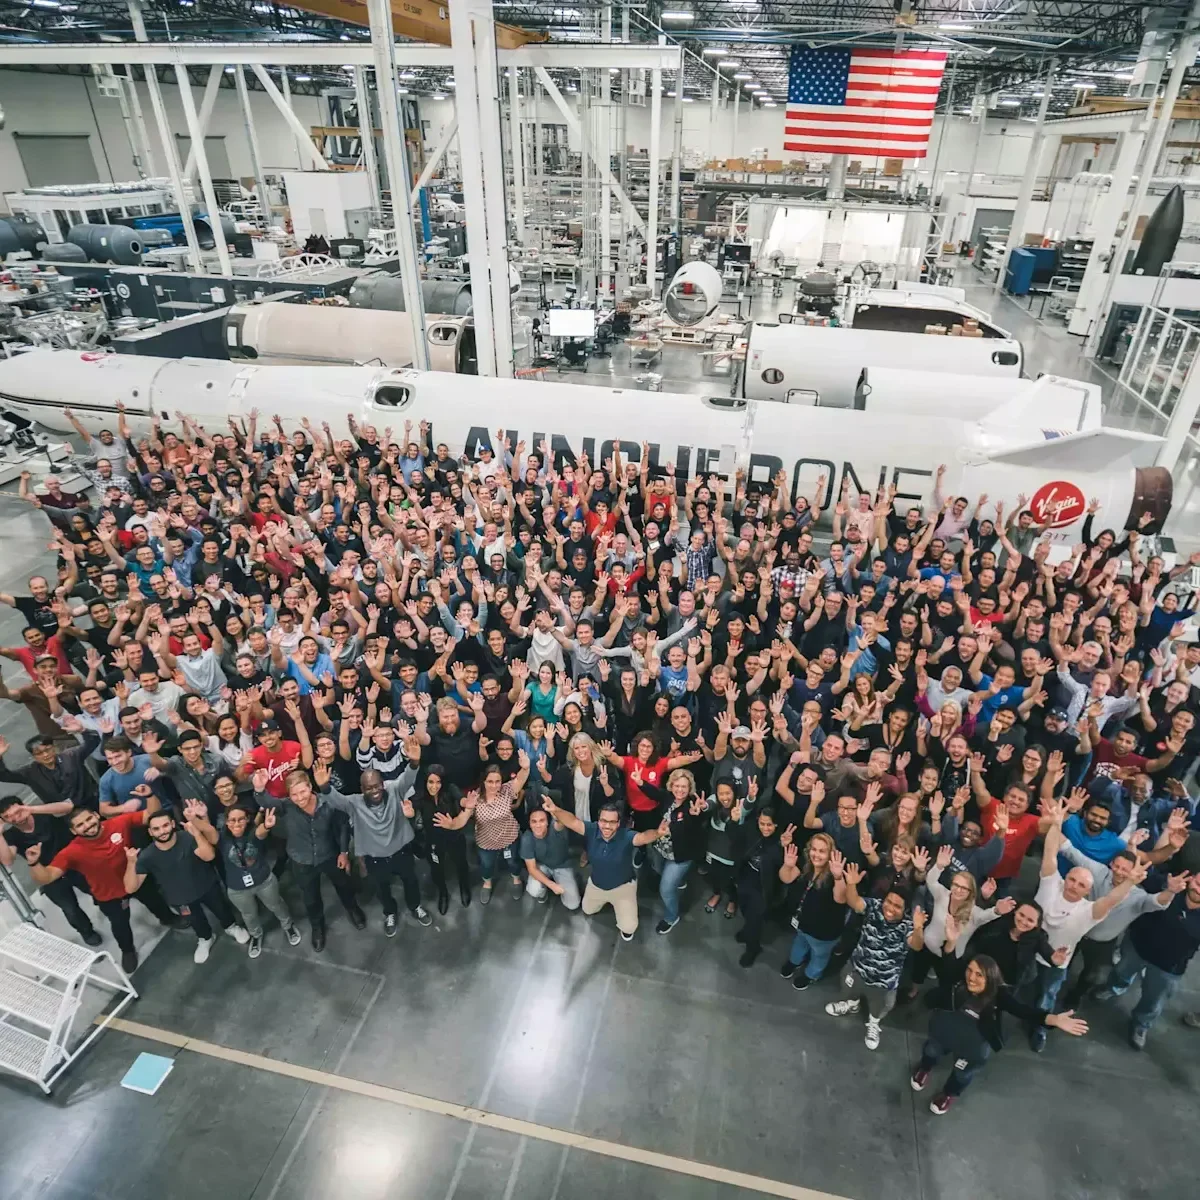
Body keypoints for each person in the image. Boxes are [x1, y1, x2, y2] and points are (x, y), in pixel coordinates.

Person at [1026, 796, 1147, 1051]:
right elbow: (1050, 852)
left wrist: (1129, 882)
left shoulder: (1090, 910)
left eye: (1082, 885)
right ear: (1065, 877)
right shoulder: (1050, 883)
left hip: (1057, 963)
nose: (1074, 886)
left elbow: (1113, 898)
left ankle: (1039, 1028)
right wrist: (1057, 823)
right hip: (1026, 949)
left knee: (1047, 996)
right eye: (1072, 879)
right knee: (1015, 983)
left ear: (1088, 891)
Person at [910, 955, 1089, 1114]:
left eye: (979, 974)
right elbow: (948, 961)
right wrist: (951, 940)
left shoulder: (999, 995)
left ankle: (948, 1094)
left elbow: (1025, 1011)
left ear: (990, 978)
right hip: (944, 1032)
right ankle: (924, 1068)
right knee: (931, 1051)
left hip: (973, 1047)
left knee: (962, 1074)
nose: (971, 977)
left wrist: (1054, 1020)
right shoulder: (958, 983)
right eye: (970, 970)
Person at [28, 801, 181, 973]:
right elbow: (47, 877)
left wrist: (149, 795)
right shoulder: (71, 852)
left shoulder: (119, 823)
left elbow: (151, 816)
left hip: (135, 877)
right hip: (109, 894)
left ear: (95, 815)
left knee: (155, 900)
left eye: (88, 819)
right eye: (80, 825)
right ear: (74, 831)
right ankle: (128, 950)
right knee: (120, 925)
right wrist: (34, 862)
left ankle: (168, 918)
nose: (87, 826)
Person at [313, 758, 433, 936]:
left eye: (377, 786)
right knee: (382, 889)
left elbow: (407, 778)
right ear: (362, 790)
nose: (374, 790)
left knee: (411, 882)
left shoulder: (394, 790)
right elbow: (336, 800)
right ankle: (390, 913)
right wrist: (324, 787)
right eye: (369, 788)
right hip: (376, 859)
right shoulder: (354, 803)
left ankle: (415, 906)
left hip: (402, 852)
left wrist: (415, 762)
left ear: (383, 784)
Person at [123, 800, 250, 964]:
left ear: (173, 824)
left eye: (165, 825)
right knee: (196, 921)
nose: (162, 831)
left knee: (222, 909)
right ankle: (205, 938)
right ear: (150, 832)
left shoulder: (187, 838)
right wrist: (131, 862)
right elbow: (131, 887)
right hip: (180, 899)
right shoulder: (147, 856)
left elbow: (209, 856)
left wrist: (197, 834)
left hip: (207, 887)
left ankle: (231, 926)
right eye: (156, 828)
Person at [824, 860, 927, 1050]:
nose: (890, 907)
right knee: (848, 990)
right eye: (889, 901)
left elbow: (917, 946)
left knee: (880, 1007)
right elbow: (855, 903)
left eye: (897, 906)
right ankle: (852, 1004)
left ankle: (873, 1023)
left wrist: (919, 927)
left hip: (884, 982)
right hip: (856, 969)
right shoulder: (875, 906)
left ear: (905, 910)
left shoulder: (908, 925)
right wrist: (852, 884)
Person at [1095, 868, 1200, 1049]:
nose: (1199, 890)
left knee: (1154, 999)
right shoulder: (1172, 883)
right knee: (1121, 971)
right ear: (1191, 879)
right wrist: (1166, 886)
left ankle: (1141, 1024)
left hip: (1169, 966)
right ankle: (1113, 988)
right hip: (1138, 947)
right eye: (1198, 883)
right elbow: (1145, 880)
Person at [261, 768, 365, 951]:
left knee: (343, 885)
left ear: (310, 787)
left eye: (303, 791)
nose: (300, 798)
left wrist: (343, 852)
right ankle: (317, 926)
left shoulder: (329, 803)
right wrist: (259, 790)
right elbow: (265, 801)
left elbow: (342, 828)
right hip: (301, 861)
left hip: (330, 855)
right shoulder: (285, 807)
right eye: (294, 794)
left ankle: (352, 908)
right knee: (310, 898)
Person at [540, 795, 668, 940]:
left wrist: (658, 833)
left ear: (619, 823)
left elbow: (643, 837)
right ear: (598, 820)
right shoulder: (591, 829)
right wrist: (555, 810)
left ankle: (622, 909)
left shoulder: (626, 836)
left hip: (623, 886)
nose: (607, 826)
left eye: (612, 822)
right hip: (597, 884)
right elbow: (572, 821)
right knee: (587, 910)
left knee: (629, 927)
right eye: (604, 821)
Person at [0, 794, 101, 945]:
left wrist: (31, 809)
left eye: (17, 812)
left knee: (98, 889)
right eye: (8, 817)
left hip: (73, 862)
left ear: (23, 806)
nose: (15, 818)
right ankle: (87, 932)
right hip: (48, 873)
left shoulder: (43, 813)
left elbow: (68, 807)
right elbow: (8, 860)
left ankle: (101, 901)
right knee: (70, 910)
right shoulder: (11, 835)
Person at [215, 795, 301, 957]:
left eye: (241, 819)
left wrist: (267, 826)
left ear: (247, 820)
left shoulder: (253, 833)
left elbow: (261, 833)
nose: (236, 823)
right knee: (248, 914)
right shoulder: (222, 839)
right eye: (232, 820)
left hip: (264, 881)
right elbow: (207, 831)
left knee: (276, 904)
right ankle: (256, 935)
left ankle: (288, 925)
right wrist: (197, 818)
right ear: (226, 822)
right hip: (237, 888)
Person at [778, 834, 849, 990]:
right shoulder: (806, 866)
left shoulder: (835, 874)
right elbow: (786, 878)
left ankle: (811, 975)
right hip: (802, 923)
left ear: (830, 854)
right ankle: (794, 962)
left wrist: (838, 877)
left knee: (819, 955)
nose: (816, 854)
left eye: (822, 851)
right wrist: (788, 865)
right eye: (814, 849)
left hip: (824, 932)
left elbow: (841, 898)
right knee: (800, 943)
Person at [520, 807, 580, 909]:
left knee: (573, 905)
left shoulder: (556, 828)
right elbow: (532, 869)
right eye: (534, 822)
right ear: (530, 824)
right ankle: (543, 893)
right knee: (533, 890)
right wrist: (552, 885)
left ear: (548, 822)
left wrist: (557, 811)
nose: (538, 825)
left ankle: (571, 880)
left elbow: (565, 820)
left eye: (542, 821)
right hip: (543, 866)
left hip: (562, 865)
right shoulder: (527, 838)